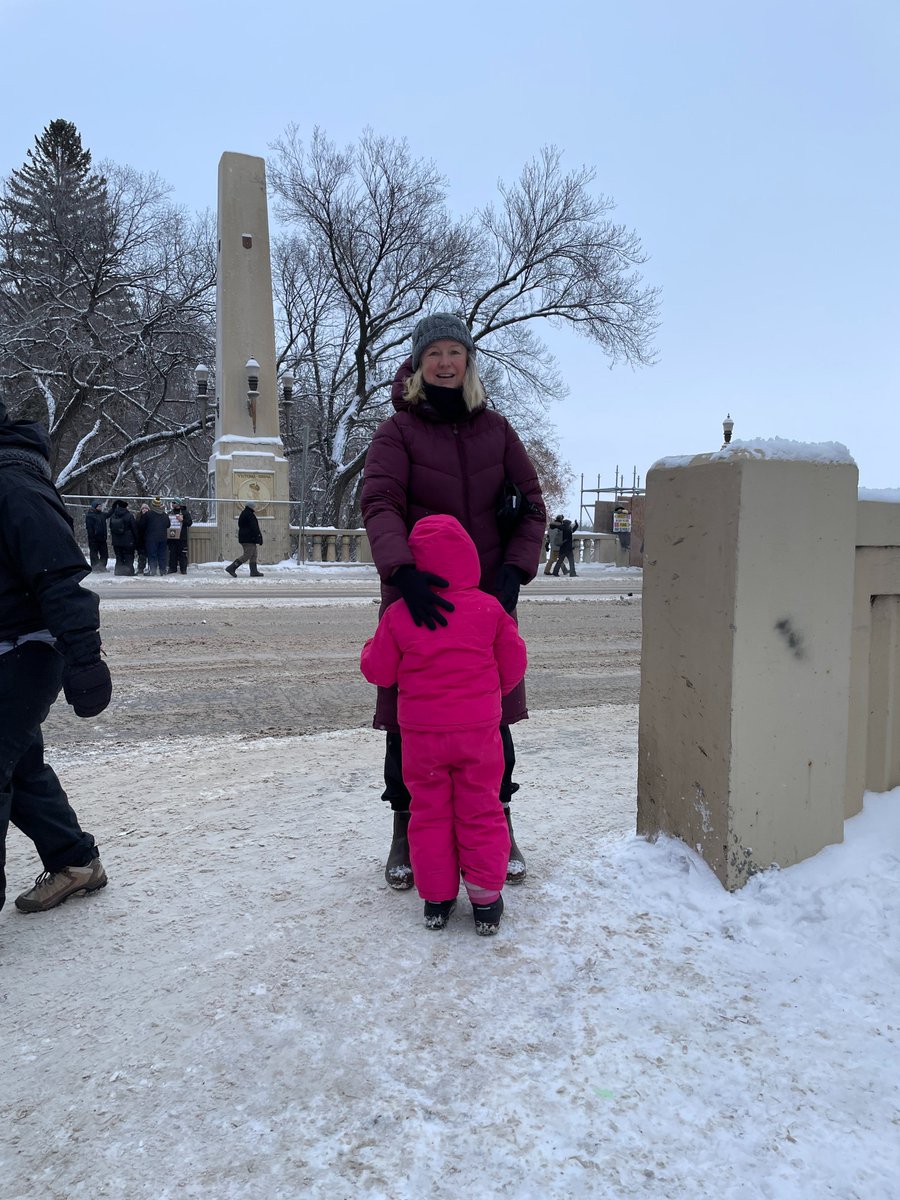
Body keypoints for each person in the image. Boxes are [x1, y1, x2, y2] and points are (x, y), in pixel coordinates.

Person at [360, 311, 545, 892]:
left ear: (468, 361)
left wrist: (514, 571)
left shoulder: (497, 430)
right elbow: (380, 503)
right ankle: (405, 828)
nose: (444, 362)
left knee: (493, 714)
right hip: (419, 600)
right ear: (417, 363)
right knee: (408, 721)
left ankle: (500, 823)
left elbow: (532, 503)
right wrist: (402, 572)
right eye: (433, 352)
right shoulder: (397, 432)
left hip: (488, 598)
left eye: (454, 352)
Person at [361, 516, 527, 934]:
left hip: (422, 736)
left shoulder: (401, 614)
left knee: (429, 813)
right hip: (478, 733)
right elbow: (514, 663)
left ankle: (437, 899)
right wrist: (489, 697)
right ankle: (486, 900)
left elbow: (379, 671)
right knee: (481, 808)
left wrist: (372, 643)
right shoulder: (489, 608)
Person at [0, 399, 112, 914]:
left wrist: (85, 660)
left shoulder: (15, 485)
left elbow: (61, 578)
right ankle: (75, 863)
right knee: (20, 769)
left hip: (26, 651)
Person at [225, 501, 264, 576]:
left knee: (254, 554)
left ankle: (254, 571)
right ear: (251, 506)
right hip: (248, 538)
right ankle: (231, 568)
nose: (255, 507)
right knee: (247, 555)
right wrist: (258, 537)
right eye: (254, 506)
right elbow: (254, 527)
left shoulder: (246, 513)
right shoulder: (248, 514)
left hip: (247, 537)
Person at [138, 497, 170, 577]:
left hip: (151, 538)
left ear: (153, 505)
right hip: (162, 538)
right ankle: (162, 570)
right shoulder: (165, 515)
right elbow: (168, 525)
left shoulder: (148, 515)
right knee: (162, 554)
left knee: (152, 555)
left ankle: (153, 570)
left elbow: (142, 525)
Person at [108, 499, 138, 575]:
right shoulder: (129, 515)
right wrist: (136, 539)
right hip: (128, 541)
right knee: (129, 557)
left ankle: (118, 572)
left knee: (119, 557)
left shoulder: (113, 516)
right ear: (125, 507)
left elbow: (110, 527)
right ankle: (129, 572)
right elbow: (134, 528)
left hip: (116, 542)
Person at [168, 498, 193, 575]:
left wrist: (182, 520)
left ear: (179, 504)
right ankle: (172, 568)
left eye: (174, 502)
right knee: (172, 553)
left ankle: (183, 569)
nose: (172, 504)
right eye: (172, 503)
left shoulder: (185, 513)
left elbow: (189, 523)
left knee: (182, 553)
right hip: (172, 536)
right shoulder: (170, 513)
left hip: (182, 537)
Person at [84, 499, 109, 573]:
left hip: (102, 538)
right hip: (94, 538)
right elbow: (89, 528)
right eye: (99, 506)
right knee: (94, 553)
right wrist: (93, 536)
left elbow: (108, 514)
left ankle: (102, 566)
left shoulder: (102, 515)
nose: (100, 507)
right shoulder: (90, 516)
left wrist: (114, 507)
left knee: (104, 553)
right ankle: (95, 567)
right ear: (95, 507)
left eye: (100, 506)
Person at [135, 503, 150, 574]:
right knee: (141, 555)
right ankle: (140, 568)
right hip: (140, 539)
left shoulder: (151, 517)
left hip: (149, 539)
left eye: (146, 508)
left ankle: (151, 568)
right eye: (143, 508)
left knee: (150, 554)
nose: (144, 510)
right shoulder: (138, 517)